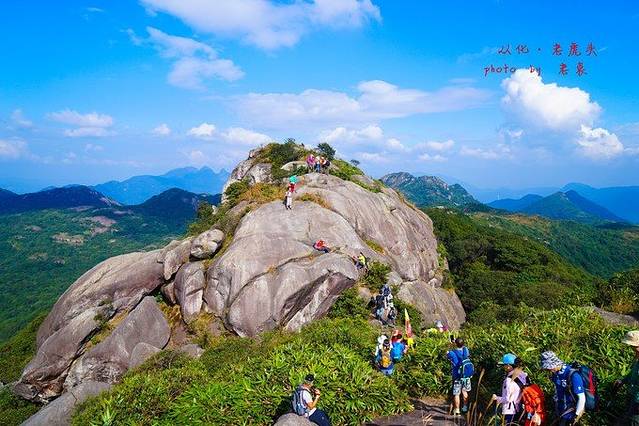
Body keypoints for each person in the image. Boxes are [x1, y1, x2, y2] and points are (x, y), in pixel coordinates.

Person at [541, 351, 585, 426]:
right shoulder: (555, 374)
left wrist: (576, 416)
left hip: (570, 414)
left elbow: (581, 397)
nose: (548, 370)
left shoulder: (573, 375)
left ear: (554, 364)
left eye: (548, 367)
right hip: (559, 410)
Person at [492, 354, 527, 425]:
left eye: (504, 365)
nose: (503, 367)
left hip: (509, 411)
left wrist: (497, 398)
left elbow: (508, 399)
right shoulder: (523, 375)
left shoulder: (509, 380)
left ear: (509, 366)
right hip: (519, 409)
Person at [615, 330, 639, 425]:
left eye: (635, 347)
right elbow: (633, 374)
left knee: (634, 421)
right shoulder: (637, 359)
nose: (633, 349)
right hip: (633, 396)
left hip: (637, 402)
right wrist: (622, 381)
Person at [447, 337, 472, 416]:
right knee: (465, 392)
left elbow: (447, 355)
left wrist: (450, 346)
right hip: (466, 376)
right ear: (463, 344)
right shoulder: (466, 350)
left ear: (455, 344)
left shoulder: (452, 352)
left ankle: (457, 410)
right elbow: (464, 349)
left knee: (457, 394)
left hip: (457, 376)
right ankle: (464, 408)